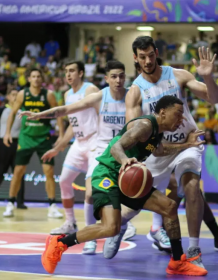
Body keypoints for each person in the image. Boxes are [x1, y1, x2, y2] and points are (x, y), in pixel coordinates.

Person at [106, 37, 218, 267]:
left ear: (156, 52)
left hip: (186, 145)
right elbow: (140, 141)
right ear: (135, 58)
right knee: (130, 209)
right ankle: (119, 226)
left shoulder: (178, 75)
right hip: (158, 152)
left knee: (192, 186)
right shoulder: (135, 93)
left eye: (151, 54)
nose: (148, 60)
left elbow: (216, 98)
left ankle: (193, 250)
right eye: (142, 57)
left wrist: (208, 76)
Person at [41, 96, 208, 276]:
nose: (182, 119)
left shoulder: (157, 132)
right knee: (110, 227)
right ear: (162, 112)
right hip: (108, 174)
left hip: (126, 177)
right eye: (178, 114)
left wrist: (187, 145)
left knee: (169, 207)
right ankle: (60, 243)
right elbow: (116, 147)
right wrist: (125, 160)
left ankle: (177, 261)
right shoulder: (145, 126)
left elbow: (160, 151)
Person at [20, 60, 136, 254]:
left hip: (96, 143)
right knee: (66, 181)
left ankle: (112, 227)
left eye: (72, 71)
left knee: (98, 191)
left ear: (81, 73)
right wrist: (57, 145)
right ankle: (72, 223)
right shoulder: (67, 94)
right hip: (83, 144)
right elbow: (70, 121)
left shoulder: (92, 90)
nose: (68, 75)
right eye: (66, 71)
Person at [2, 68, 64, 218]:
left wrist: (61, 134)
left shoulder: (48, 95)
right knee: (18, 171)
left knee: (49, 172)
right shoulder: (23, 94)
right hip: (26, 138)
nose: (36, 79)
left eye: (38, 76)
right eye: (33, 76)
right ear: (29, 79)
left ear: (42, 79)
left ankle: (52, 205)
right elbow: (12, 113)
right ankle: (10, 203)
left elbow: (58, 114)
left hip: (44, 138)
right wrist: (7, 132)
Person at [0, 90, 26, 208]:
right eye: (13, 95)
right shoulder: (1, 110)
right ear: (7, 97)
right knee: (0, 171)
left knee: (19, 172)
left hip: (18, 143)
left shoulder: (22, 111)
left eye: (17, 95)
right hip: (4, 142)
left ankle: (19, 201)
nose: (15, 97)